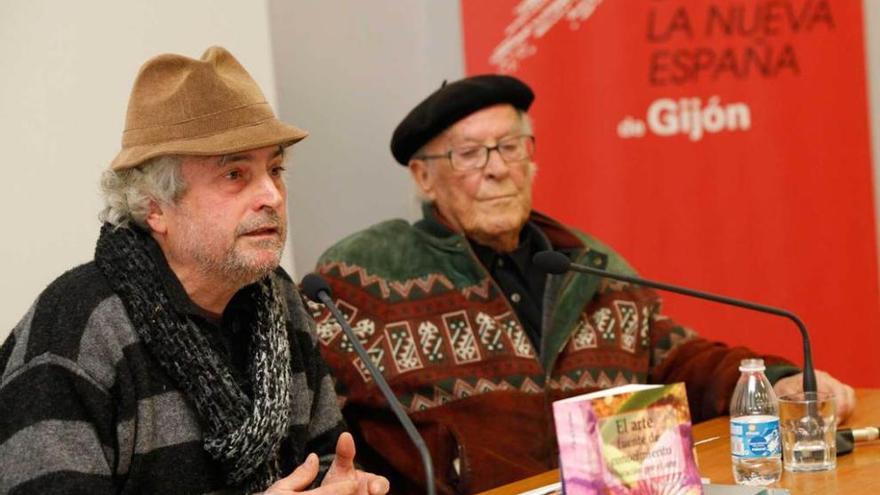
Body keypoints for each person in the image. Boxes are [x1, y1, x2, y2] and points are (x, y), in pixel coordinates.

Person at [310, 75, 856, 494]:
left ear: (532, 156)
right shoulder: (364, 277)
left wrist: (779, 383)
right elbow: (310, 417)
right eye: (469, 154)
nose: (497, 168)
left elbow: (674, 359)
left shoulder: (588, 264)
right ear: (424, 177)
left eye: (510, 146)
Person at [0, 47, 388, 495]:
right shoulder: (77, 329)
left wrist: (343, 485)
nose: (273, 196)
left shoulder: (279, 301)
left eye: (275, 169)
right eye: (235, 175)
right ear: (155, 207)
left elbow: (317, 463)